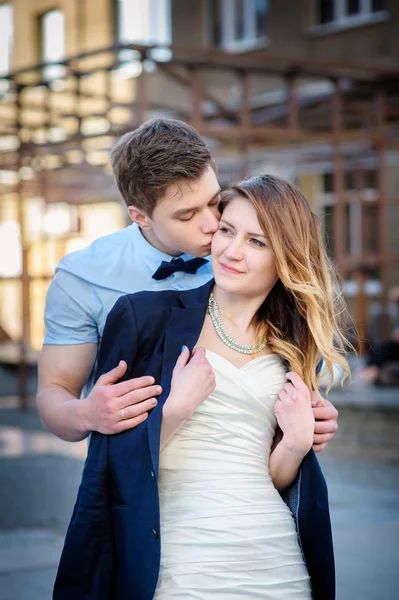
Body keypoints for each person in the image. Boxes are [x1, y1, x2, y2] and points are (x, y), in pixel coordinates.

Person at [54, 175, 351, 600]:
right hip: (181, 558)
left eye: (256, 242)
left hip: (275, 561)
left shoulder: (295, 345)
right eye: (227, 231)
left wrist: (294, 445)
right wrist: (173, 410)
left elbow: (273, 476)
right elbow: (109, 467)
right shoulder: (144, 318)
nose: (231, 251)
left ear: (284, 257)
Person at [37, 118, 338, 448]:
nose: (213, 224)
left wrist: (314, 413)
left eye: (213, 201)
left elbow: (291, 360)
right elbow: (54, 394)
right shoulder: (83, 278)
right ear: (140, 217)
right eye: (186, 215)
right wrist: (86, 414)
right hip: (139, 479)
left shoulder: (243, 259)